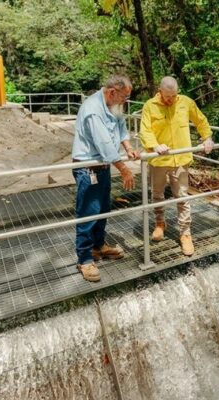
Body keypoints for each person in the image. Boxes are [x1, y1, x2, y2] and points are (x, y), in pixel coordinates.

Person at [71, 75, 139, 282]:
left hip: (103, 167)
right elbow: (103, 144)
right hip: (88, 169)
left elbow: (120, 126)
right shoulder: (93, 109)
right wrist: (124, 169)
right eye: (124, 97)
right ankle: (84, 259)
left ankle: (99, 246)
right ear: (112, 92)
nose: (126, 101)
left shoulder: (113, 105)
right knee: (88, 213)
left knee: (103, 209)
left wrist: (128, 147)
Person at [139, 76, 213, 256]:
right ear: (160, 90)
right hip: (159, 160)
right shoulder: (150, 105)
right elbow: (145, 130)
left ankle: (185, 233)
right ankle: (159, 224)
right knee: (157, 194)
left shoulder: (186, 102)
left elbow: (200, 120)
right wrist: (155, 145)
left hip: (180, 160)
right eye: (167, 96)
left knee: (182, 196)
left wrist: (207, 138)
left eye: (174, 96)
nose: (171, 99)